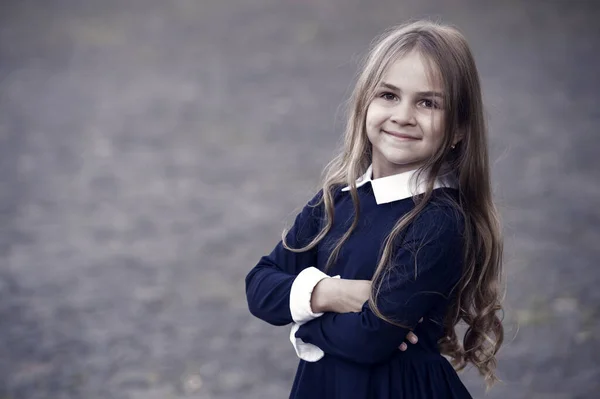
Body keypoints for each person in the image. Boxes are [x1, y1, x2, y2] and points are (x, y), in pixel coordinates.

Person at [245, 19, 504, 399]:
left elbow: (371, 337)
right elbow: (259, 286)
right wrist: (331, 294)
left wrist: (301, 322)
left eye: (428, 103)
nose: (403, 115)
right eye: (388, 95)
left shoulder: (440, 221)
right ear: (364, 103)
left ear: (461, 128)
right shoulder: (335, 200)